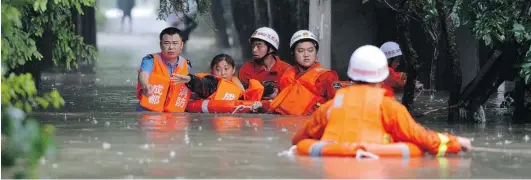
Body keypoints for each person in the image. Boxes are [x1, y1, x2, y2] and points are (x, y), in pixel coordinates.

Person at [291, 45, 472, 156]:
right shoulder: (390, 108)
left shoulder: (330, 107)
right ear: (382, 78)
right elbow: (422, 139)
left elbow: (299, 138)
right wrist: (455, 142)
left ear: (352, 78)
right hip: (377, 164)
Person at [263, 30, 339, 116]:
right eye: (301, 51)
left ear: (316, 52)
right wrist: (261, 105)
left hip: (311, 125)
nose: (306, 55)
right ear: (293, 53)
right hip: (283, 125)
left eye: (310, 50)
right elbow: (277, 102)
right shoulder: (287, 74)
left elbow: (338, 107)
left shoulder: (327, 76)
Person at [172, 54, 277, 102]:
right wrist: (191, 79)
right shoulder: (212, 83)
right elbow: (203, 84)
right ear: (212, 71)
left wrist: (271, 89)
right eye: (218, 69)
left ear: (233, 70)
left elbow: (256, 89)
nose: (222, 73)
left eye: (226, 69)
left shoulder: (240, 85)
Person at [135, 27, 193, 112]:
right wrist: (146, 85)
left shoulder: (186, 64)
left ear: (181, 45)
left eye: (175, 43)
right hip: (148, 111)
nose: (171, 47)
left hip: (174, 114)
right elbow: (143, 74)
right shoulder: (150, 60)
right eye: (167, 43)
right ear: (161, 45)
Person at [238, 27, 291, 99]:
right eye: (253, 45)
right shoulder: (246, 70)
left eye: (259, 45)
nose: (254, 49)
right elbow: (242, 98)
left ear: (271, 48)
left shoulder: (287, 70)